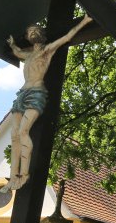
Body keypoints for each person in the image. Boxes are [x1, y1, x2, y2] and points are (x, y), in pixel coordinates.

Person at [6, 15, 94, 190]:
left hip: (36, 93)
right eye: (29, 32)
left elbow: (67, 38)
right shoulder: (28, 54)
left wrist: (84, 21)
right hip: (22, 93)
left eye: (34, 30)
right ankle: (12, 177)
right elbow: (17, 52)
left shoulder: (47, 50)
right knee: (14, 135)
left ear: (40, 33)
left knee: (24, 131)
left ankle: (24, 175)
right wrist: (12, 44)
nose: (31, 33)